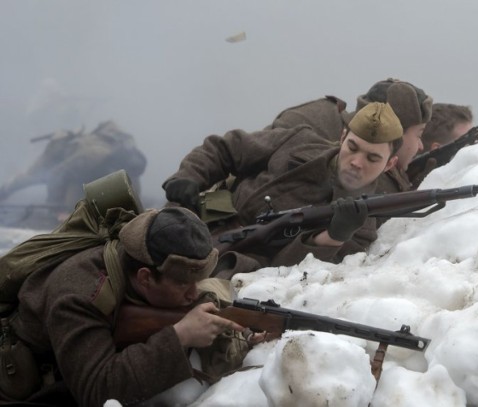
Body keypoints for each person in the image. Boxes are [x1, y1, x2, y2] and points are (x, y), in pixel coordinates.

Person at [6, 207, 249, 406]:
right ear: (145, 278)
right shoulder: (78, 295)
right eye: (184, 284)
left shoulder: (144, 257)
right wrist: (179, 337)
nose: (193, 293)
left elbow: (188, 297)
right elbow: (97, 391)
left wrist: (243, 329)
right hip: (29, 385)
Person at [163, 102, 404, 278]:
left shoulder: (360, 225)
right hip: (205, 218)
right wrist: (189, 176)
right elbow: (227, 148)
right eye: (352, 147)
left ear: (390, 164)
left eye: (373, 158)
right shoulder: (298, 141)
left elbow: (291, 275)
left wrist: (332, 238)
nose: (357, 162)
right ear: (342, 138)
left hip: (239, 267)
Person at [267, 78, 433, 195]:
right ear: (394, 131)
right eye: (419, 134)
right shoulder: (378, 184)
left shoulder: (317, 114)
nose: (420, 146)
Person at [0, 120, 147, 214]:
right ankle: (5, 190)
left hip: (86, 173)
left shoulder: (131, 162)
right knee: (37, 177)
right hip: (72, 166)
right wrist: (56, 208)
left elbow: (132, 196)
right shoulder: (91, 156)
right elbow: (58, 174)